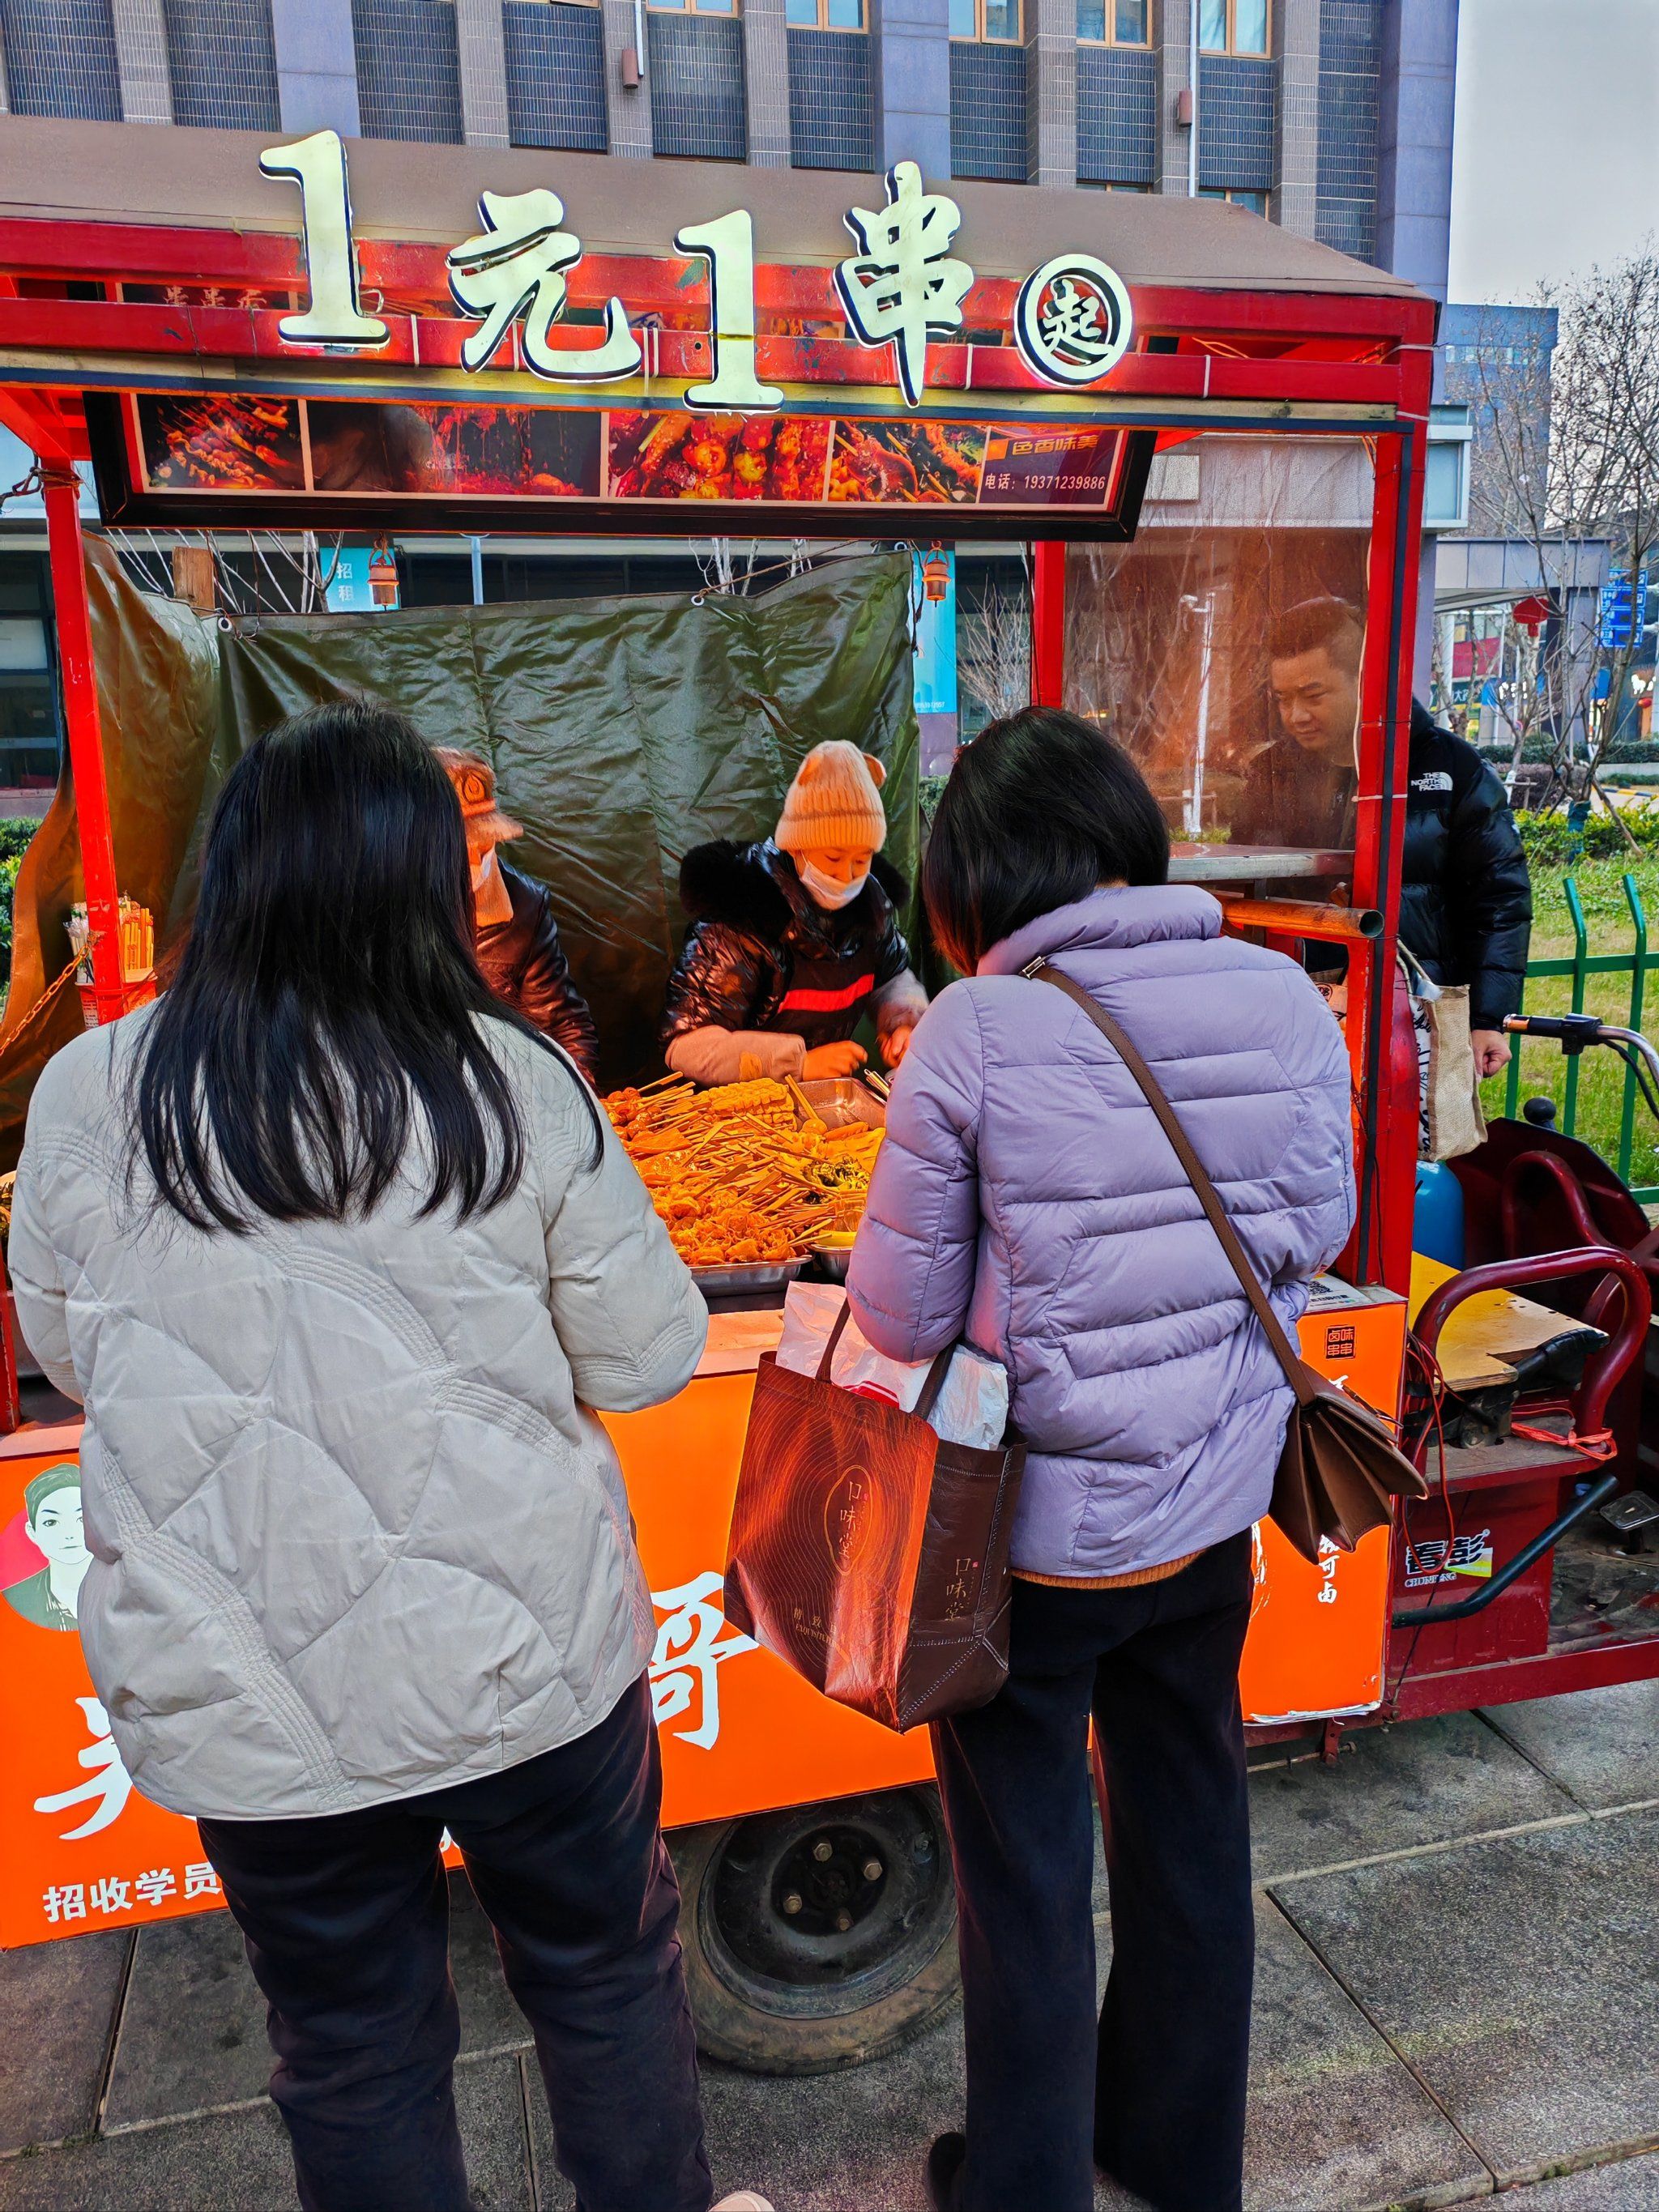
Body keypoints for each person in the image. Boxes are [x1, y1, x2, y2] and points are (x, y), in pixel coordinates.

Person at [7, 703, 769, 2212]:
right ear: (427, 886)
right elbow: (647, 1354)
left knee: (351, 2044)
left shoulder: (96, 1091)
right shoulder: (506, 1081)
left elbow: (71, 1349)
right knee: (605, 1982)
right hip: (525, 1660)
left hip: (243, 1682)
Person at [846, 708, 1354, 2212]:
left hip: (1036, 1550)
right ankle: (1179, 2164)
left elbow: (898, 1308)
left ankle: (1023, 2190)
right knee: (1192, 1838)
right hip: (1208, 1517)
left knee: (1025, 1882)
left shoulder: (975, 1031)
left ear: (977, 887)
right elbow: (1309, 1237)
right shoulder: (1276, 993)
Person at [1264, 597, 1532, 1077]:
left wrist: (1490, 1018)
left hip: (1410, 1014)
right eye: (1283, 698)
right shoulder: (1276, 775)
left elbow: (1499, 901)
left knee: (1408, 1148)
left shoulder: (1451, 769)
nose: (1296, 715)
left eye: (1313, 694)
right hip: (1293, 1005)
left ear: (1365, 681)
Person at [661, 739, 927, 1085]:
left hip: (824, 1106)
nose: (847, 876)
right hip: (742, 1121)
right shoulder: (738, 919)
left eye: (861, 860)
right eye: (833, 858)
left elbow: (892, 976)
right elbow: (686, 1048)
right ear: (797, 845)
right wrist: (795, 1063)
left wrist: (901, 1019)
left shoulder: (871, 906)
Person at [436, 745, 601, 1082]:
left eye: (484, 841)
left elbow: (563, 1025)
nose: (476, 854)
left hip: (504, 1086)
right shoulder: (381, 904)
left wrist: (575, 1097)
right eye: (462, 843)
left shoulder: (524, 906)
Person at [2, 1464, 90, 1630]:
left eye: (81, 1518)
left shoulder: (125, 1587)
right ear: (32, 1532)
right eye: (51, 1522)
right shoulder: (20, 1598)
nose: (69, 1534)